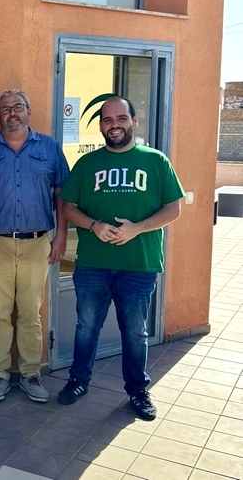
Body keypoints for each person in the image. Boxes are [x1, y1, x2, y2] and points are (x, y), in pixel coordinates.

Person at [57, 96, 184, 421]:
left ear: (134, 121)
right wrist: (94, 225)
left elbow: (174, 208)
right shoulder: (87, 164)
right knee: (86, 327)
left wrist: (137, 228)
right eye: (107, 120)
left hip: (138, 264)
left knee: (135, 333)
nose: (114, 125)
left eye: (121, 118)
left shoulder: (155, 161)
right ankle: (78, 380)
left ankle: (138, 391)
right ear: (101, 126)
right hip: (93, 264)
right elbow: (68, 207)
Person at [0, 89, 69, 403]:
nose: (12, 113)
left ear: (28, 111)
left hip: (37, 243)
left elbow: (62, 195)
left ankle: (30, 374)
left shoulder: (49, 147)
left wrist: (61, 236)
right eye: (5, 109)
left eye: (18, 107)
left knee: (30, 314)